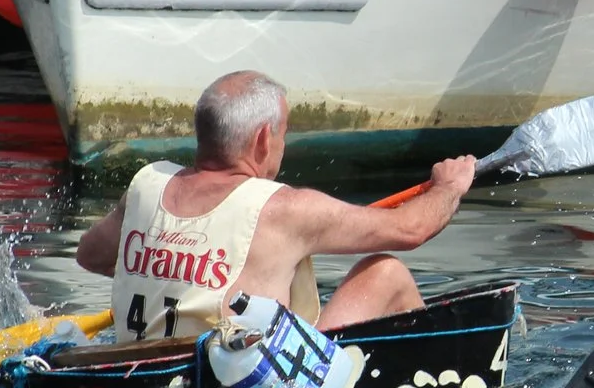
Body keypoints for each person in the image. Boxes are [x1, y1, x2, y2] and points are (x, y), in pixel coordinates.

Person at [74, 70, 475, 340]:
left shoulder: (147, 185)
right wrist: (448, 187)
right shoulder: (286, 209)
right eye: (284, 132)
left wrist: (172, 269)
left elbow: (90, 256)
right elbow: (410, 229)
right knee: (386, 273)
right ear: (264, 139)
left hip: (146, 380)